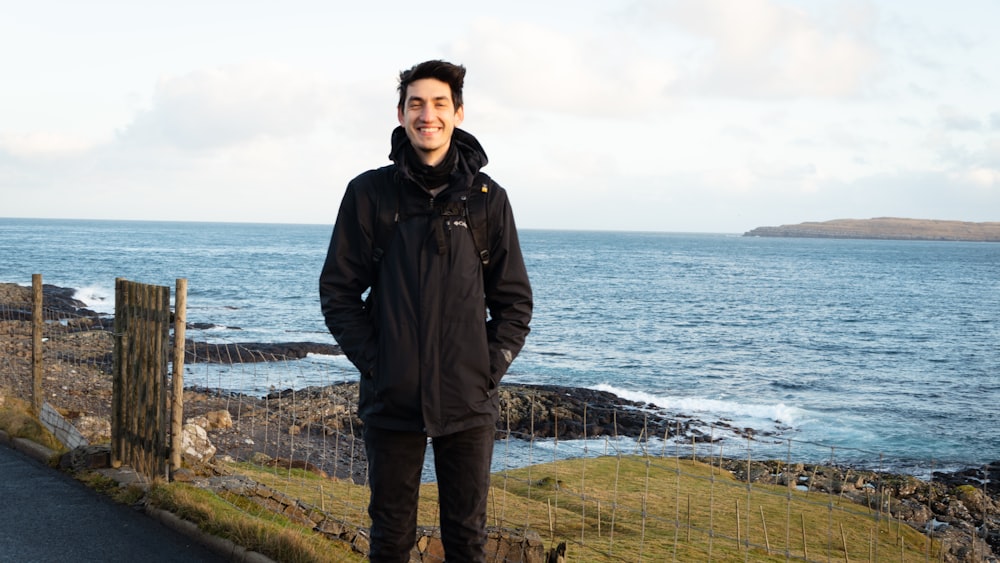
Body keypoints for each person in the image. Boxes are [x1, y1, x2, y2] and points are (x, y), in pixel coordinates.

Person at [319, 60, 533, 562]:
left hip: (467, 403)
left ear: (458, 113)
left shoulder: (487, 201)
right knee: (391, 537)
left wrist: (488, 367)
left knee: (466, 539)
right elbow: (339, 291)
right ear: (401, 113)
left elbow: (514, 300)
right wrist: (377, 364)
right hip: (391, 402)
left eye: (439, 104)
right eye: (416, 103)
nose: (427, 114)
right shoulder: (369, 194)